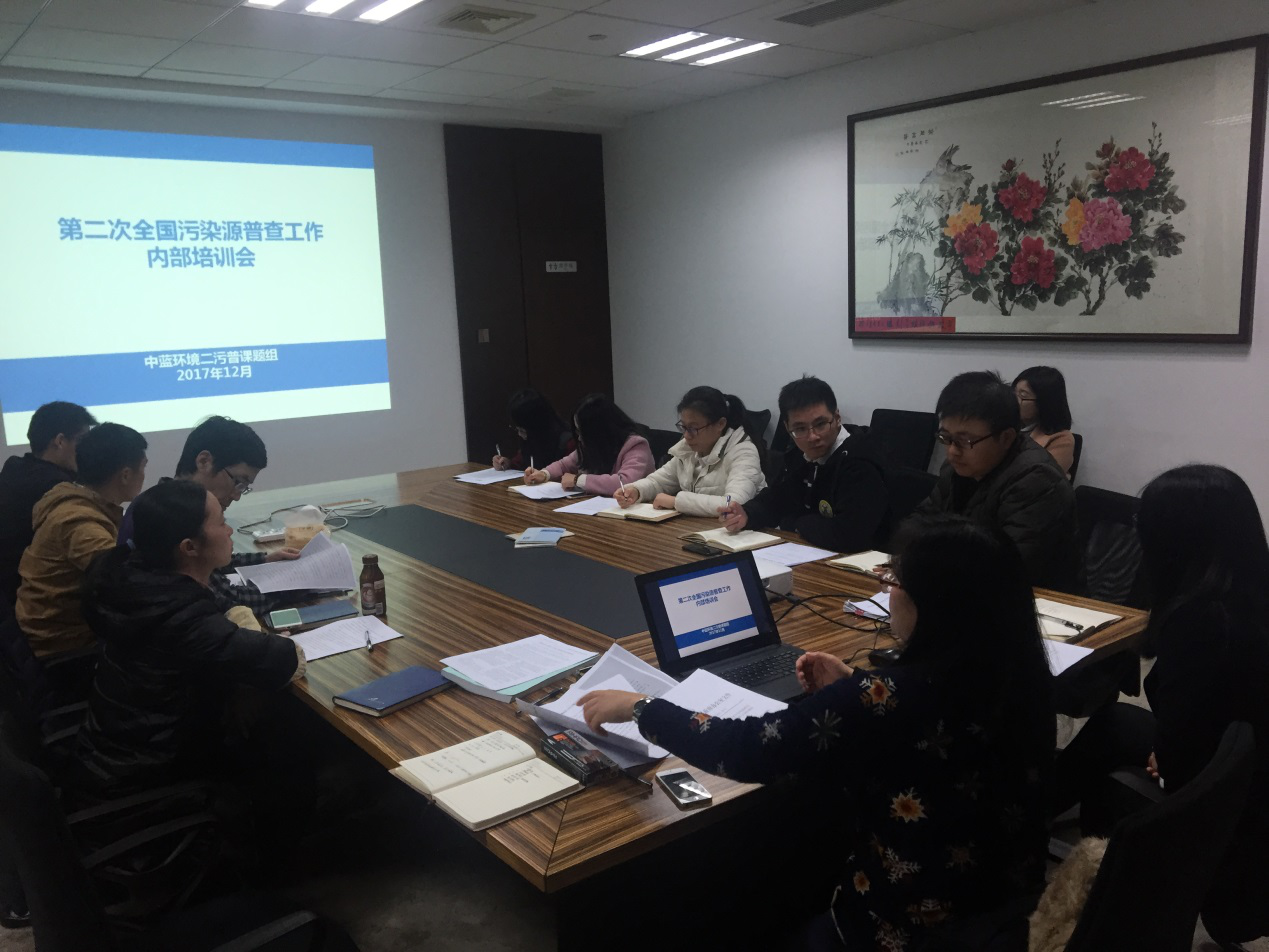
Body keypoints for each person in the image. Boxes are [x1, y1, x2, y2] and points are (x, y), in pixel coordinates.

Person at [579, 516, 1055, 951]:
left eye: (894, 580)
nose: (887, 591)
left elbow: (746, 750)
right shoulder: (1019, 674)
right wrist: (855, 686)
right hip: (1008, 904)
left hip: (906, 927)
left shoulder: (885, 697)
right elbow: (924, 732)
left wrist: (642, 707)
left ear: (934, 605)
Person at [1051, 465, 1269, 944]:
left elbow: (1189, 743)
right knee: (1114, 722)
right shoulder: (1247, 595)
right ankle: (1034, 809)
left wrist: (1166, 758)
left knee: (1111, 768)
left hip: (1221, 794)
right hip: (1241, 772)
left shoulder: (1203, 624)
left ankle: (1041, 837)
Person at [73, 479, 305, 799]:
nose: (229, 531)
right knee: (291, 736)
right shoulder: (182, 617)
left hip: (113, 752)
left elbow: (218, 611)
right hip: (150, 774)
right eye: (221, 523)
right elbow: (286, 658)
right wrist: (244, 620)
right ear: (189, 548)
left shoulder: (136, 581)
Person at [118, 416, 299, 613]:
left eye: (244, 487)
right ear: (204, 461)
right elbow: (232, 601)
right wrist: (295, 584)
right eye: (238, 481)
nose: (237, 495)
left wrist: (264, 560)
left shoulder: (160, 503)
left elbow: (212, 559)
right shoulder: (171, 519)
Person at [915, 370, 1077, 590]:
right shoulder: (955, 468)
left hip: (1033, 599)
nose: (952, 451)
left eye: (965, 440)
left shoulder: (1038, 480)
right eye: (946, 437)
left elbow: (1006, 565)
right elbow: (920, 523)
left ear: (1006, 438)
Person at [15, 423, 147, 657]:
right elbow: (125, 584)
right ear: (126, 475)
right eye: (143, 467)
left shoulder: (72, 498)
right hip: (61, 646)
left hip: (48, 631)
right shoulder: (80, 524)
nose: (144, 475)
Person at [718, 375, 891, 552]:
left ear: (837, 417)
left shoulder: (861, 461)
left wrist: (796, 522)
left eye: (821, 424)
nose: (812, 437)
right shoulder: (800, 456)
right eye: (800, 429)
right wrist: (747, 514)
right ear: (787, 428)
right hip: (814, 552)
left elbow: (849, 536)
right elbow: (778, 500)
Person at [613, 386, 766, 516]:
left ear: (720, 424)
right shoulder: (688, 449)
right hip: (702, 528)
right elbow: (658, 481)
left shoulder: (743, 452)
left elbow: (734, 504)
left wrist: (676, 502)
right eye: (684, 427)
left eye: (693, 428)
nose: (686, 436)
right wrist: (636, 490)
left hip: (748, 534)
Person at [0, 401, 97, 605]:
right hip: (30, 599)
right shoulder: (55, 489)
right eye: (82, 441)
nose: (88, 450)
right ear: (60, 441)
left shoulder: (16, 469)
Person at [523, 394, 653, 497]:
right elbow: (564, 464)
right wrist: (544, 474)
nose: (579, 438)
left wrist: (578, 480)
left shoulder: (636, 445)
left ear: (599, 432)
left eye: (582, 433)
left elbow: (624, 482)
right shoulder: (593, 445)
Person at [491, 388, 575, 472]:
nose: (519, 434)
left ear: (536, 427)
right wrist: (507, 463)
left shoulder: (568, 443)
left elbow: (569, 474)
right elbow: (520, 461)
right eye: (517, 429)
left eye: (522, 430)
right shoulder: (531, 440)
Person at [1012, 366, 1075, 476]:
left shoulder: (1062, 440)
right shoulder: (1008, 424)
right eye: (1014, 393)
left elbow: (1040, 478)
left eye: (1022, 396)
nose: (1014, 401)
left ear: (1044, 403)